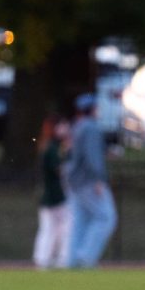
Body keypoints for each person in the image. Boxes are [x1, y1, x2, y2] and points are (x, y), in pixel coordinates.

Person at [64, 93, 117, 268]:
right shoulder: (91, 128)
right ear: (93, 109)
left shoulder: (77, 126)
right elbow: (92, 156)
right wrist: (99, 179)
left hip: (74, 180)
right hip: (88, 180)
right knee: (106, 218)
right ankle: (86, 258)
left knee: (80, 221)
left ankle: (72, 260)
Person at [32, 115, 71, 269]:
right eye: (62, 125)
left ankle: (45, 258)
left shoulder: (51, 146)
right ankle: (51, 259)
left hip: (51, 194)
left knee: (52, 228)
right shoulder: (52, 147)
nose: (65, 129)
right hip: (54, 195)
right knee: (55, 228)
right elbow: (59, 170)